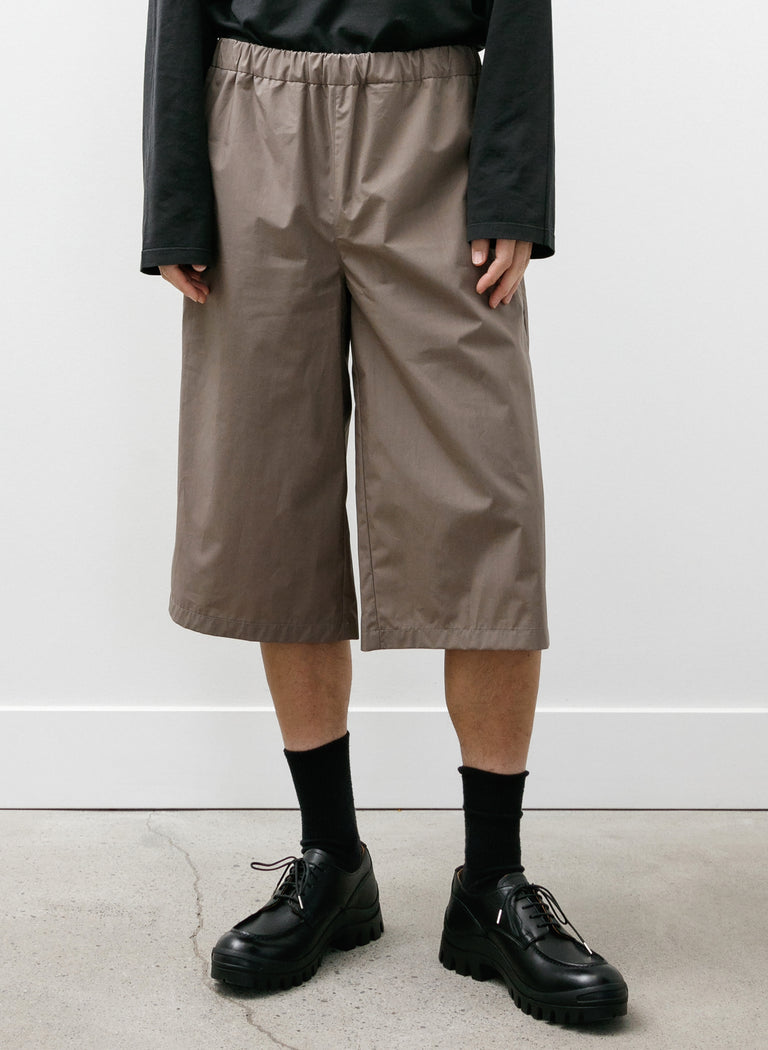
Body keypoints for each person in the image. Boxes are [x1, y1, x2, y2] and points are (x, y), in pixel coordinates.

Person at [140, 0, 628, 1025]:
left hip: (436, 125)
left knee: (484, 505)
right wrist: (175, 198)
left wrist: (514, 188)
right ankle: (331, 860)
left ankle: (491, 882)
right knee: (271, 504)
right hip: (252, 122)